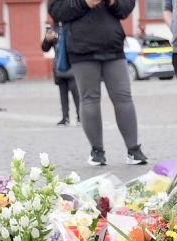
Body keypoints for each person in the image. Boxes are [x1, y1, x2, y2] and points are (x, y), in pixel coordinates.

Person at [48, 0, 148, 167]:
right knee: (89, 99)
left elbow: (126, 7)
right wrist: (85, 3)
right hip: (81, 49)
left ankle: (133, 150)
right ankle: (97, 152)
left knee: (123, 97)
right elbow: (57, 11)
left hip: (112, 46)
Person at [41, 23, 80, 127]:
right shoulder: (54, 28)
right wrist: (47, 39)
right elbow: (45, 48)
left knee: (76, 92)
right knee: (63, 93)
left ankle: (80, 117)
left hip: (73, 65)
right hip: (59, 66)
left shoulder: (73, 25)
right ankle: (65, 117)